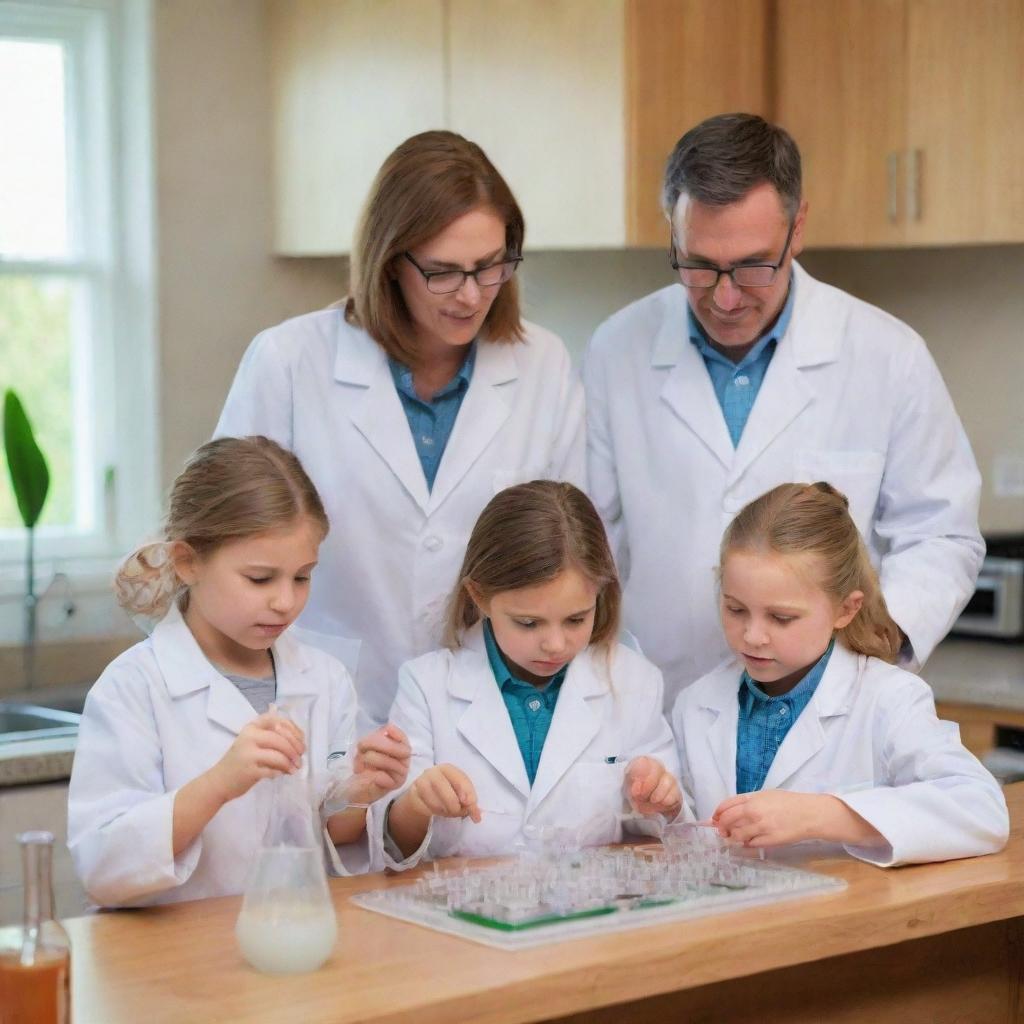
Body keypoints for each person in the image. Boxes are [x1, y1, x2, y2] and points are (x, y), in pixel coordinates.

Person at [583, 113, 984, 710]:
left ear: (797, 229)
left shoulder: (886, 354)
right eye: (698, 264)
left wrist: (873, 650)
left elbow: (941, 532)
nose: (724, 296)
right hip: (659, 711)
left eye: (752, 266)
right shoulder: (617, 349)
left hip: (831, 715)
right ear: (672, 232)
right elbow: (593, 541)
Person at [216, 130, 585, 729]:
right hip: (321, 711)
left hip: (485, 716)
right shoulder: (288, 361)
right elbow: (220, 553)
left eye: (489, 267)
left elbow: (572, 558)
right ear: (389, 261)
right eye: (442, 272)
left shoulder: (543, 364)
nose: (470, 295)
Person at [68, 437, 411, 906]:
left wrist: (360, 793)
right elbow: (104, 864)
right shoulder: (133, 688)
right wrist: (219, 783)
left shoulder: (325, 680)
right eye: (259, 578)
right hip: (172, 962)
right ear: (188, 562)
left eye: (302, 577)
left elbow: (330, 833)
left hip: (291, 940)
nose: (285, 601)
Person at [672, 482, 1008, 867]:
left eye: (781, 618)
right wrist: (663, 806)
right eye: (735, 609)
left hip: (842, 920)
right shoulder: (696, 702)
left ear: (845, 610)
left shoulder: (889, 699)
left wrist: (821, 815)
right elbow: (687, 834)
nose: (752, 635)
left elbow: (981, 810)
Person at [372, 481, 683, 869]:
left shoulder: (634, 682)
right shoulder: (426, 686)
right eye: (528, 623)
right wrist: (417, 804)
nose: (554, 644)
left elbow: (666, 823)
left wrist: (659, 799)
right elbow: (394, 846)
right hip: (467, 916)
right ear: (479, 596)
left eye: (576, 619)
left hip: (589, 914)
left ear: (599, 595)